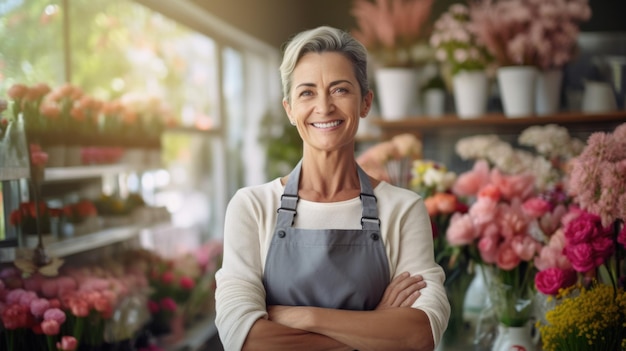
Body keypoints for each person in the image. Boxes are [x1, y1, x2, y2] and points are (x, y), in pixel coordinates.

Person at [215, 25, 450, 351]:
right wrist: (376, 324)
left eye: (340, 90)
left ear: (365, 103)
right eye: (307, 92)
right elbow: (246, 340)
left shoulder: (403, 209)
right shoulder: (252, 207)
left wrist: (306, 317)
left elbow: (418, 335)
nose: (324, 107)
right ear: (290, 110)